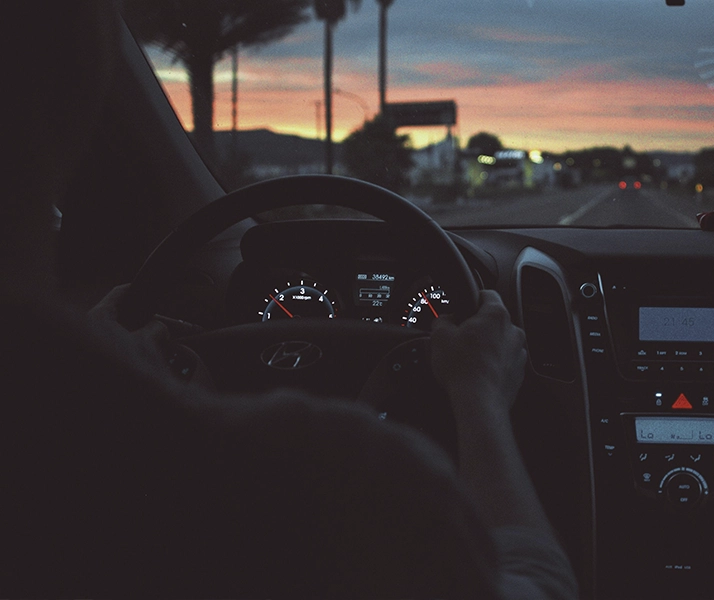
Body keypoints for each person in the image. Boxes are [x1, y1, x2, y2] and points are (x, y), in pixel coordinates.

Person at [1, 2, 577, 597]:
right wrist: (479, 395)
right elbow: (538, 583)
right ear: (73, 110)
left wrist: (112, 381)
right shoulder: (360, 482)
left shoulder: (51, 452)